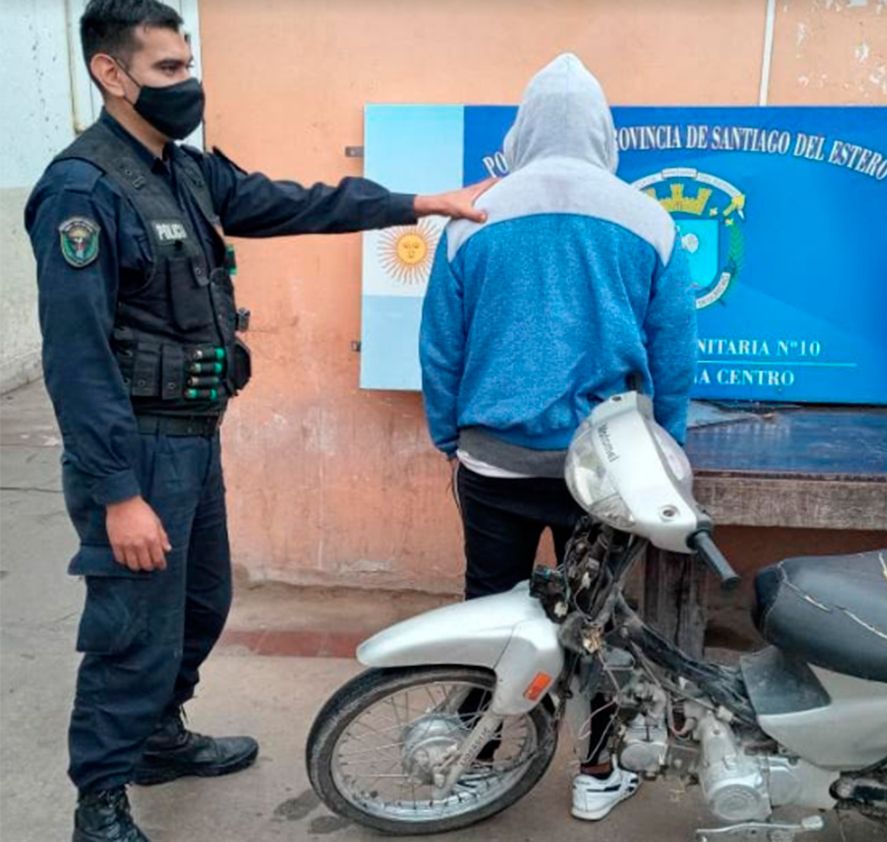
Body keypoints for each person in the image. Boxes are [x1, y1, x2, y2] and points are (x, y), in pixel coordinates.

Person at [24, 2, 493, 840]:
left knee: (201, 606)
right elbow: (78, 361)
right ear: (111, 73)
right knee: (132, 628)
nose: (188, 82)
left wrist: (425, 201)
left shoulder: (185, 172)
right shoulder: (82, 189)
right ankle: (98, 801)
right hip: (136, 449)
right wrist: (118, 494)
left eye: (187, 63)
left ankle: (158, 739)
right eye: (168, 69)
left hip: (195, 440)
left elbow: (293, 203)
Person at [419, 53, 697, 821]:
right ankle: (598, 771)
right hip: (606, 472)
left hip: (493, 463)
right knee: (600, 622)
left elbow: (440, 347)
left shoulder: (472, 221)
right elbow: (673, 354)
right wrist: (662, 454)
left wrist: (452, 434)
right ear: (603, 131)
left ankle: (473, 760)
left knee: (490, 609)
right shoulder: (649, 219)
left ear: (525, 127)